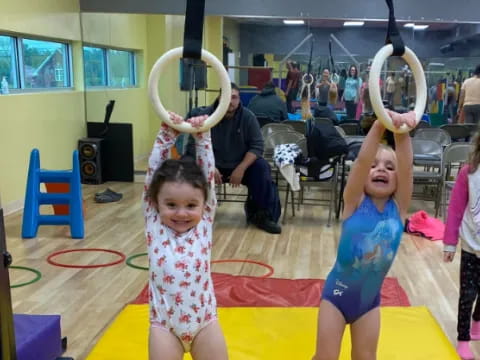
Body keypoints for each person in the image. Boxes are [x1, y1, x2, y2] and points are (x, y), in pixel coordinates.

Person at [312, 110, 416, 360]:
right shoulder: (353, 202)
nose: (381, 170)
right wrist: (381, 125)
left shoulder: (399, 209)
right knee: (325, 357)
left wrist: (401, 132)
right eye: (375, 166)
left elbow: (408, 166)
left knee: (366, 356)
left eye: (390, 167)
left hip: (368, 304)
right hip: (336, 297)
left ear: (397, 178)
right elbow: (360, 162)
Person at [143, 113, 228, 360]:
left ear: (204, 205)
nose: (181, 213)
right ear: (155, 204)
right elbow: (151, 178)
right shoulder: (155, 224)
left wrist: (203, 137)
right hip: (165, 327)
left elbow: (208, 178)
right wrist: (166, 136)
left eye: (191, 205)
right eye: (171, 204)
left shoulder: (203, 224)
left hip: (205, 322)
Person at [185, 82, 282, 234]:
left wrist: (241, 169)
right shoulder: (203, 117)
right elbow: (192, 146)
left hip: (239, 165)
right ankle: (188, 214)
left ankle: (262, 215)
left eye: (234, 97)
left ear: (239, 99)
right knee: (186, 164)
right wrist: (210, 166)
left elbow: (257, 146)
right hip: (211, 164)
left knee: (262, 168)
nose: (230, 101)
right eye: (226, 97)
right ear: (219, 97)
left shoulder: (248, 117)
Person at [443, 133, 480, 360]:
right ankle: (463, 339)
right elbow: (456, 208)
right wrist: (449, 243)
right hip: (471, 244)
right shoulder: (469, 172)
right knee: (467, 294)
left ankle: (477, 322)